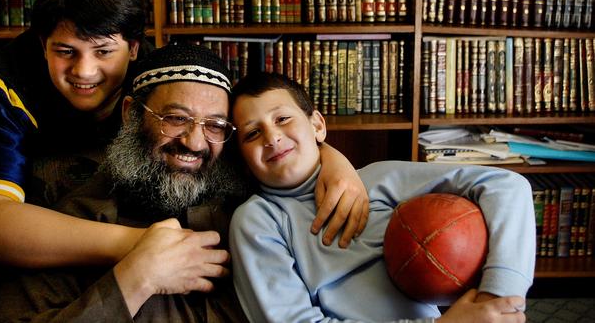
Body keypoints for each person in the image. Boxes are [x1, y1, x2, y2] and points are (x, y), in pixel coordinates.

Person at [0, 0, 366, 273]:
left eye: (104, 52)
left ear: (133, 47)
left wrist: (330, 157)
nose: (85, 72)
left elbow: (252, 122)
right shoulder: (3, 87)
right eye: (65, 51)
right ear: (42, 43)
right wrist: (147, 246)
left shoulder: (165, 71)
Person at [0, 43, 368, 322]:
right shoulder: (76, 219)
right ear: (132, 114)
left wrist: (333, 160)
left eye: (215, 126)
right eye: (175, 118)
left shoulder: (257, 203)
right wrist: (135, 278)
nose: (194, 142)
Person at [228, 72, 535, 323]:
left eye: (282, 119)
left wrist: (498, 295)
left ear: (317, 125)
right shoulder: (258, 220)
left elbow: (507, 186)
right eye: (252, 134)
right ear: (242, 156)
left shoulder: (378, 179)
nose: (272, 137)